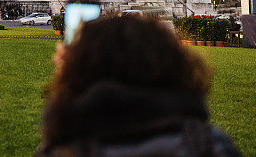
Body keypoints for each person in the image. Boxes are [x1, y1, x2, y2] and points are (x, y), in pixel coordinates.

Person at [36, 15, 239, 156]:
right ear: (175, 64)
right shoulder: (211, 145)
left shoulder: (64, 150)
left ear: (80, 71)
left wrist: (66, 84)